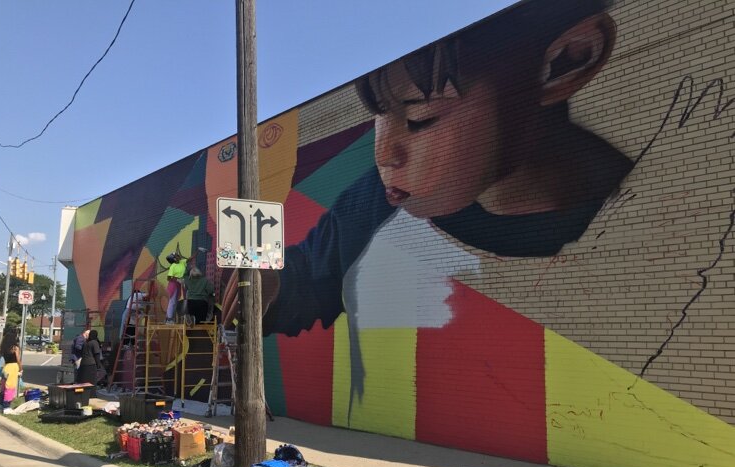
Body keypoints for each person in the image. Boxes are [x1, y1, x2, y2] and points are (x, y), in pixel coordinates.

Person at [220, 0, 633, 429]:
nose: (385, 154)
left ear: (568, 60)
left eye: (420, 118)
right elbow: (314, 274)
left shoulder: (638, 214)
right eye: (381, 118)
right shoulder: (374, 201)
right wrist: (274, 279)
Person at [0, 345, 21, 413]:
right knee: (9, 389)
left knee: (3, 389)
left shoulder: (4, 347)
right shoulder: (15, 347)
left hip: (6, 367)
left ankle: (0, 407)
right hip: (13, 368)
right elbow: (17, 358)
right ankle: (6, 408)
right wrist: (20, 368)